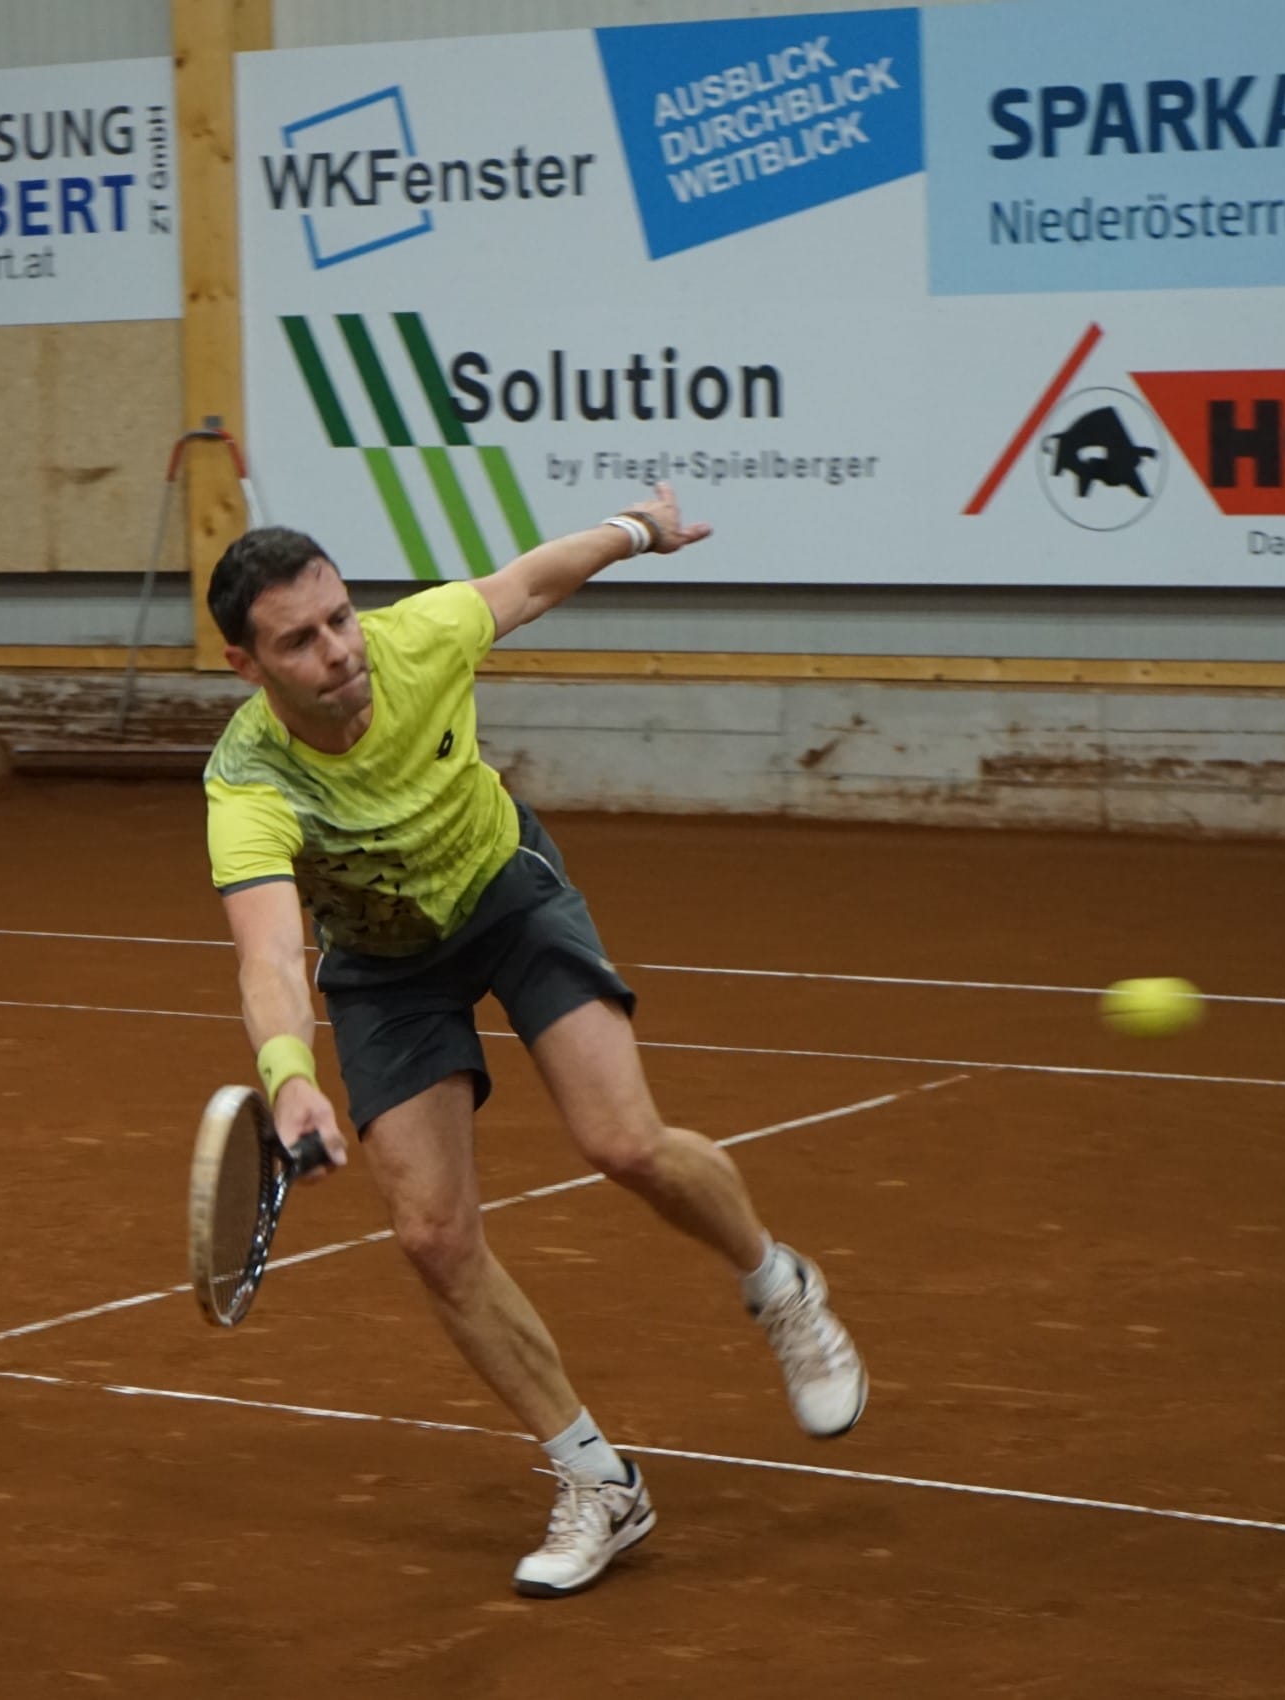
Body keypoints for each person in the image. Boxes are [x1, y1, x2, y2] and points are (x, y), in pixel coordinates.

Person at [201, 485, 866, 1598]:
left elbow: (530, 582)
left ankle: (779, 1284)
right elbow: (269, 955)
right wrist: (291, 1080)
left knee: (624, 1141)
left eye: (339, 618)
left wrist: (638, 531)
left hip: (506, 897)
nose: (338, 651)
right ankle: (599, 1479)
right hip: (385, 965)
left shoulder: (419, 638)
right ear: (245, 665)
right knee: (431, 1236)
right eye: (298, 641)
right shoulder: (248, 783)